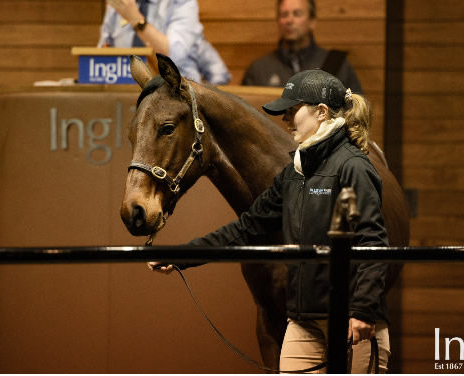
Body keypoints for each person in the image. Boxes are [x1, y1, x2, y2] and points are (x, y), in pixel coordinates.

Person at [149, 69, 390, 372]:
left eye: (292, 110)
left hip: (351, 321)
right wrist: (183, 255)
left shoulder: (354, 166)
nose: (286, 119)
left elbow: (374, 243)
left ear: (322, 112)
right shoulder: (294, 173)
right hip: (303, 322)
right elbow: (248, 226)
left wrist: (364, 310)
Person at [241, 0, 362, 93]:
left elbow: (357, 115)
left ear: (312, 22)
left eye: (297, 14)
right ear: (278, 21)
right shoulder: (259, 70)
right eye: (284, 14)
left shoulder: (336, 65)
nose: (289, 20)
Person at [98, 0, 231, 84]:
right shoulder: (119, 4)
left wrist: (136, 20)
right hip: (124, 95)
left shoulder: (182, 3)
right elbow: (99, 56)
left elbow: (174, 57)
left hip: (177, 98)